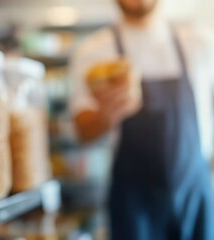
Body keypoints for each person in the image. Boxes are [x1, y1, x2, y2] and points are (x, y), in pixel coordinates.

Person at [70, 0, 214, 239]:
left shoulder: (199, 43)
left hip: (195, 191)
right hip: (133, 201)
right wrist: (108, 113)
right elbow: (81, 131)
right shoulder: (94, 51)